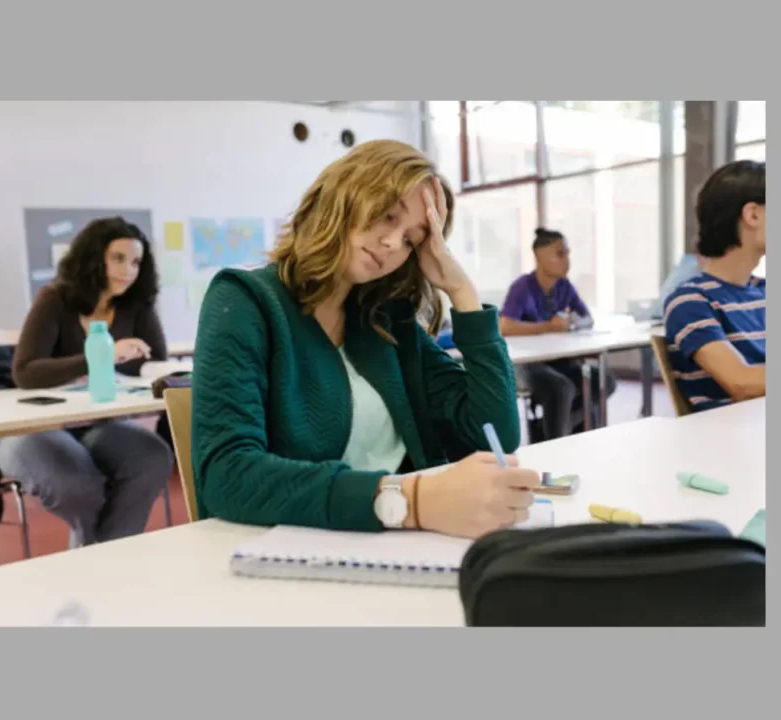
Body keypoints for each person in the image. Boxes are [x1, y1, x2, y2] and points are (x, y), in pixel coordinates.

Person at [191, 139, 541, 540]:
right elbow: (228, 474)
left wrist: (462, 292)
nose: (394, 243)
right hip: (291, 550)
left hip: (401, 545)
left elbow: (492, 433)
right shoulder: (244, 300)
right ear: (346, 195)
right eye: (388, 215)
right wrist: (409, 500)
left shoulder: (385, 319)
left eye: (412, 239)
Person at [0, 216, 175, 548]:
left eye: (136, 262)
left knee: (153, 456)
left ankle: (102, 556)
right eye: (118, 258)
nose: (129, 270)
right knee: (77, 481)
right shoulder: (54, 299)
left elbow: (154, 364)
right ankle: (102, 560)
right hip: (31, 426)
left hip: (95, 423)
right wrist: (100, 357)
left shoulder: (136, 307)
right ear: (94, 258)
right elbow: (26, 371)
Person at [663, 160, 765, 412]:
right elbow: (740, 382)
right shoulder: (691, 301)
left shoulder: (764, 291)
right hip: (730, 442)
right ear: (752, 215)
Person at [498, 228, 617, 439]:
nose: (567, 260)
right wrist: (549, 326)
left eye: (568, 253)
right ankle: (556, 437)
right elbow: (504, 326)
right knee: (561, 388)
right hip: (527, 365)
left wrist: (572, 323)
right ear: (538, 256)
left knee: (603, 381)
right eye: (560, 254)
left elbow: (587, 318)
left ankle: (562, 428)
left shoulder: (564, 287)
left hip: (558, 361)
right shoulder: (522, 287)